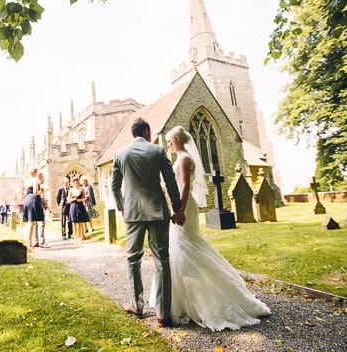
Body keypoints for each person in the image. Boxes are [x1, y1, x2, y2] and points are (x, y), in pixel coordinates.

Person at [149, 125, 271, 330]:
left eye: (170, 141)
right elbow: (176, 186)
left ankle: (208, 298)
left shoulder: (185, 159)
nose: (168, 145)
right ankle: (180, 301)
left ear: (177, 141)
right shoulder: (179, 158)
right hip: (180, 204)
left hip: (186, 207)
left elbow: (186, 186)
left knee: (185, 249)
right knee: (180, 250)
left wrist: (181, 210)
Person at [110, 118, 184, 328]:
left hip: (132, 213)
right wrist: (177, 208)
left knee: (133, 259)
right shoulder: (158, 151)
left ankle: (137, 307)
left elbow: (114, 186)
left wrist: (122, 207)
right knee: (162, 259)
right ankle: (163, 314)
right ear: (146, 131)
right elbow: (170, 182)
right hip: (158, 211)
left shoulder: (120, 154)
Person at [22, 168, 44, 248]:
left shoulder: (27, 180)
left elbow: (24, 193)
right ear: (35, 172)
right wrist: (42, 191)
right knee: (31, 223)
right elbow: (35, 192)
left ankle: (28, 242)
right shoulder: (35, 180)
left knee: (30, 222)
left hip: (27, 199)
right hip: (33, 200)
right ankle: (29, 244)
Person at [67, 177, 90, 242]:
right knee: (74, 222)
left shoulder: (82, 189)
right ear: (73, 183)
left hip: (80, 206)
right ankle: (75, 236)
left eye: (77, 182)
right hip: (73, 206)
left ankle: (80, 236)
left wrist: (80, 200)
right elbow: (68, 200)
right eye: (74, 182)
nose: (76, 183)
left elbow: (85, 198)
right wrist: (73, 199)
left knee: (80, 222)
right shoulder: (71, 190)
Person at [32, 172, 50, 248]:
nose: (43, 179)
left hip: (36, 204)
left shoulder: (37, 184)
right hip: (38, 204)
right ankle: (41, 241)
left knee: (36, 223)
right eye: (41, 177)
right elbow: (40, 196)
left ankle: (36, 241)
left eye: (43, 177)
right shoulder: (38, 185)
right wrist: (46, 205)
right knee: (41, 223)